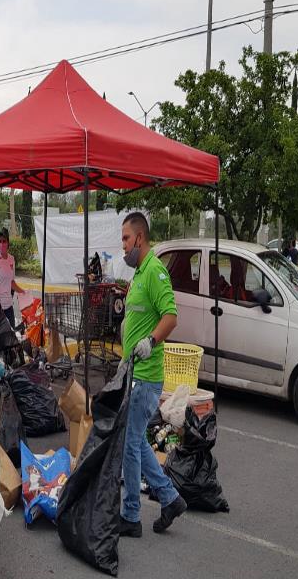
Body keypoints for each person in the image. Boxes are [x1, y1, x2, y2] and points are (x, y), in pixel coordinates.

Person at [119, 211, 187, 538]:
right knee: (134, 441)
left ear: (140, 239)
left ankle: (131, 516)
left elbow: (171, 317)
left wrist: (150, 340)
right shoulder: (139, 274)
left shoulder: (155, 272)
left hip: (146, 375)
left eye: (126, 240)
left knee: (131, 444)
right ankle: (170, 498)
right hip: (134, 371)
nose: (123, 247)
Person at [0, 229, 25, 328]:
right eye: (0, 241)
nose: (2, 244)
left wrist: (23, 292)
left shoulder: (11, 259)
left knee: (12, 335)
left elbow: (11, 282)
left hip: (9, 305)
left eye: (4, 241)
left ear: (8, 243)